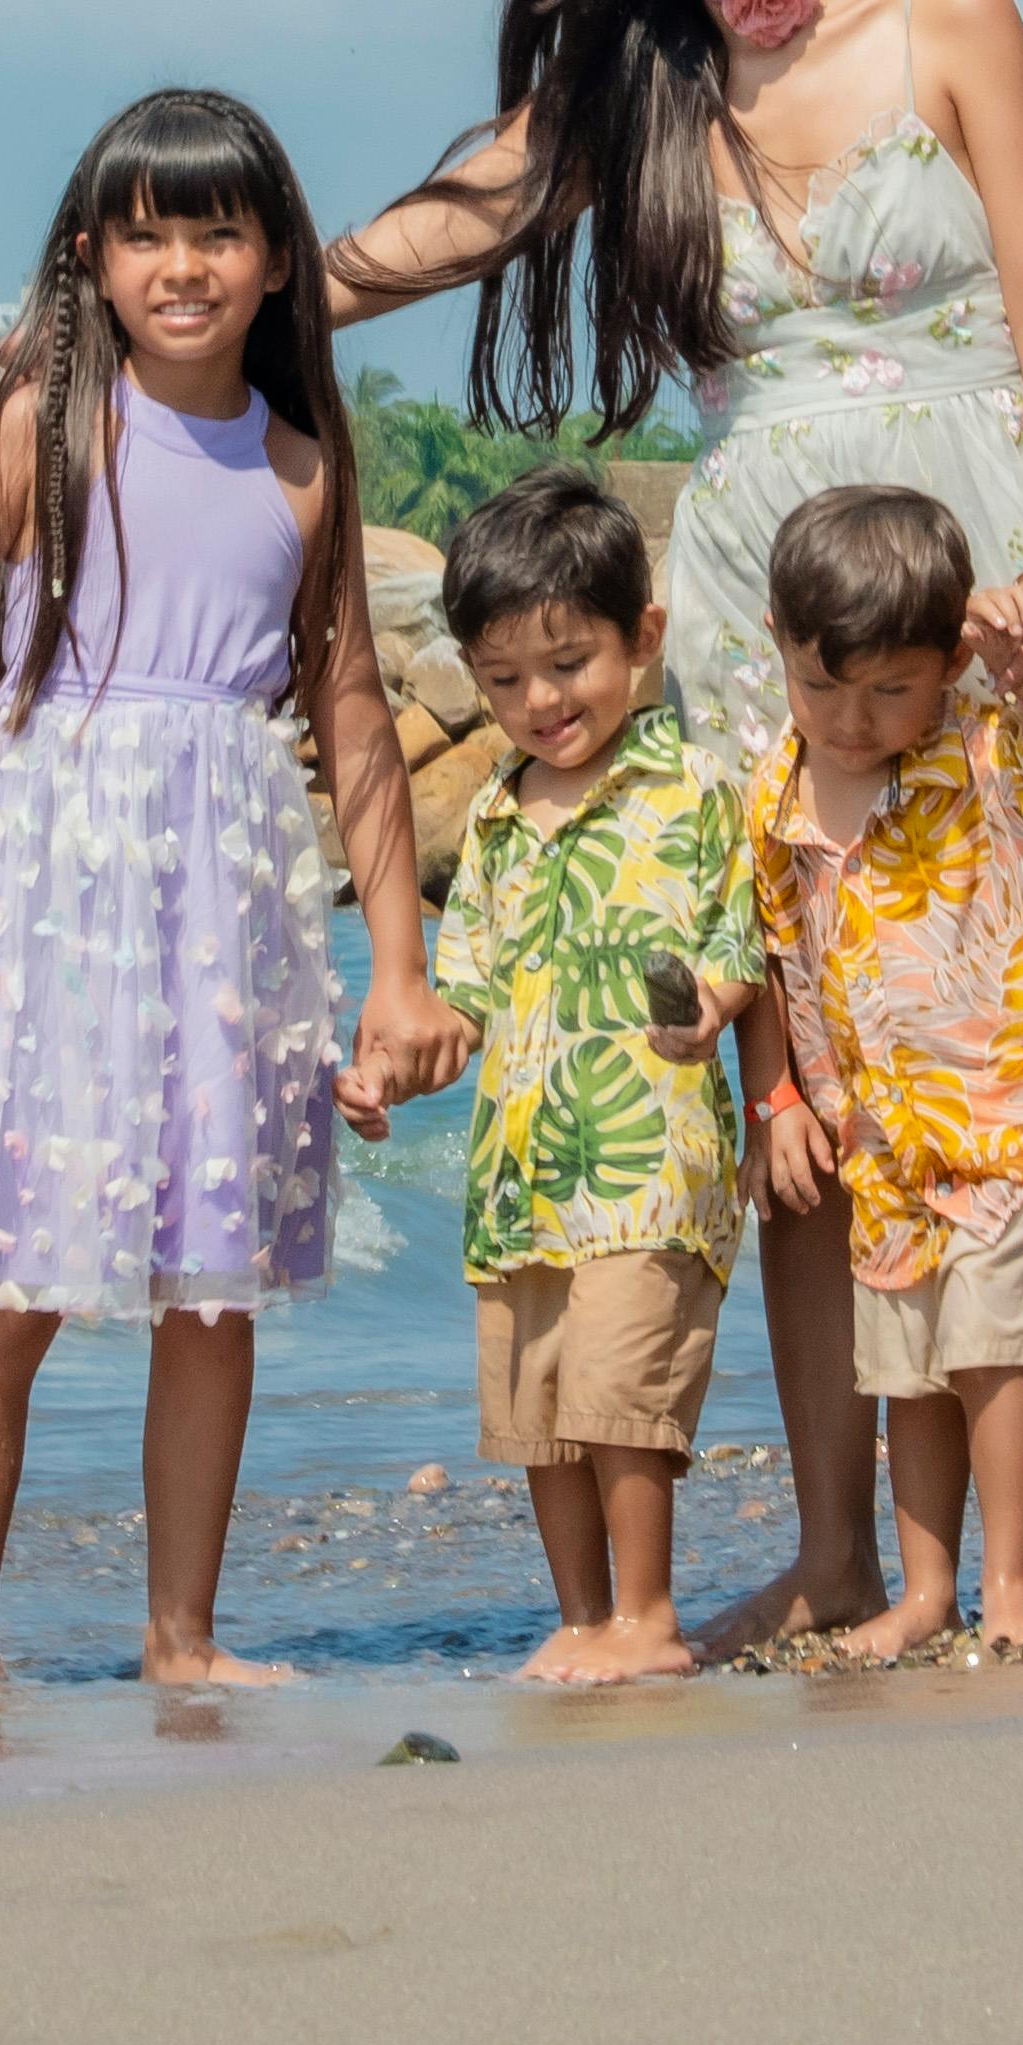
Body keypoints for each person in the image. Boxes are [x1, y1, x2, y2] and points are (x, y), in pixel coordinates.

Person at [323, 0, 1023, 1646]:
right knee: (821, 1100)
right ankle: (851, 1553)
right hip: (772, 610)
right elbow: (445, 227)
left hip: (995, 581)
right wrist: (243, 283)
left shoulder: (955, 13)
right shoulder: (626, 92)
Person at [0, 86, 465, 1689]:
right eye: (146, 232)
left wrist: (399, 960)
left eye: (218, 232)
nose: (181, 264)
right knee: (12, 1269)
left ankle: (182, 1638)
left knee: (214, 1281)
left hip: (230, 881)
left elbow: (356, 713)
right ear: (93, 257)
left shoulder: (307, 467)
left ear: (271, 261)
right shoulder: (43, 424)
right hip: (52, 870)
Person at [744, 483, 1023, 1660]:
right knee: (907, 1373)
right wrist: (785, 1103)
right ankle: (925, 1589)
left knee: (989, 1356)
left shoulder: (986, 744)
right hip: (882, 1150)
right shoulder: (776, 794)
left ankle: (1012, 1580)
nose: (852, 720)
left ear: (945, 658)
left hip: (1002, 1122)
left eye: (888, 688)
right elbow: (773, 960)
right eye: (821, 685)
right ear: (778, 650)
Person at [415, 465, 762, 1687]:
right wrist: (411, 1053)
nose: (539, 701)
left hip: (648, 1164)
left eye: (568, 664)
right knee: (541, 1413)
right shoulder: (500, 817)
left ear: (643, 637)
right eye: (503, 680)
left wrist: (713, 1007)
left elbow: (738, 940)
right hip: (519, 1177)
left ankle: (648, 1615)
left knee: (621, 1399)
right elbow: (465, 982)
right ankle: (578, 1614)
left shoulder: (696, 788)